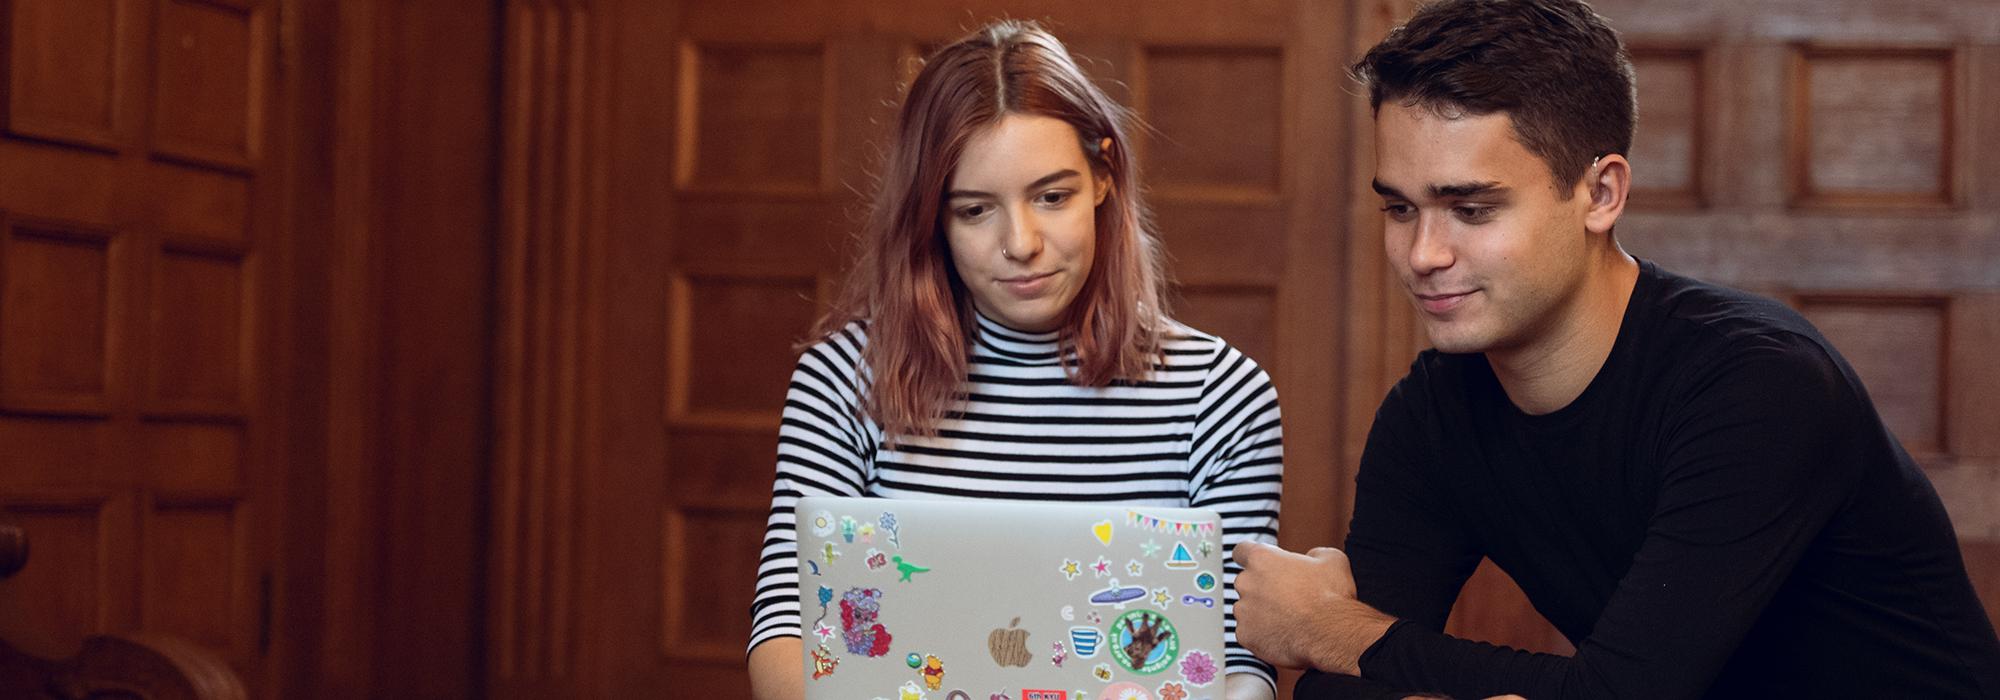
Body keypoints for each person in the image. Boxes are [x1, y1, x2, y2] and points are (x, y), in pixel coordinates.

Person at [1231, 0, 2000, 697]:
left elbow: (1621, 695)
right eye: (1401, 209)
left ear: (1600, 194)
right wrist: (1357, 650)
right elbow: (1348, 688)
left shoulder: (1760, 385)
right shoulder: (1434, 413)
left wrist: (1333, 627)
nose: (1423, 253)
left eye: (1470, 208)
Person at [744, 20, 1285, 700]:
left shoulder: (1221, 395)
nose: (1020, 243)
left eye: (1051, 197)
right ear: (931, 220)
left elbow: (1238, 665)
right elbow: (787, 635)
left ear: (1104, 176)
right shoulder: (844, 379)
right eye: (975, 210)